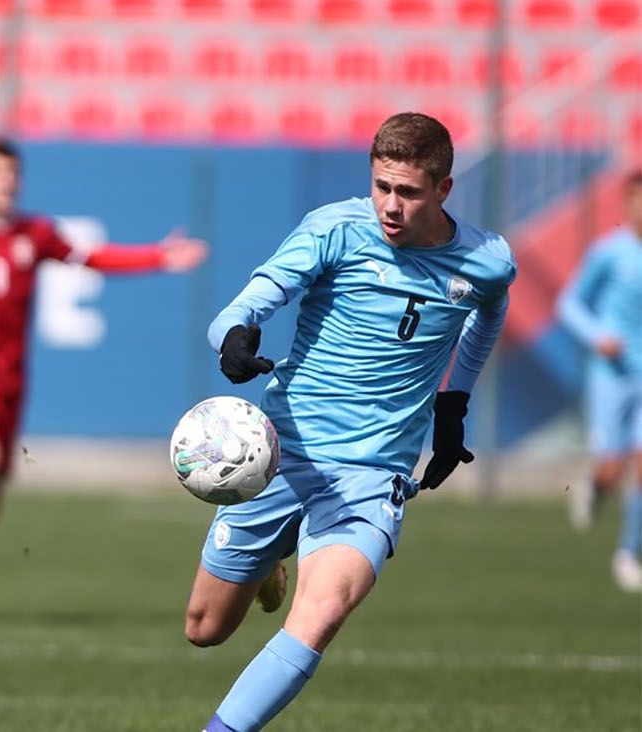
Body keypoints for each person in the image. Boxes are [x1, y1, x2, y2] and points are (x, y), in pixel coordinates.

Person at [187, 112, 516, 732]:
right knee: (204, 628)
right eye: (381, 187)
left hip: (373, 474)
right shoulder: (334, 229)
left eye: (409, 192)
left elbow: (487, 315)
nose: (390, 206)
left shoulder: (487, 261)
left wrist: (455, 404)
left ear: (444, 189)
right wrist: (232, 335)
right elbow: (252, 298)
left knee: (322, 611)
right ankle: (269, 564)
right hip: (283, 453)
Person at [0, 139, 207, 618]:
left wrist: (157, 257)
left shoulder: (33, 234)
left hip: (9, 385)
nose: (5, 182)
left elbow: (92, 258)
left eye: (11, 173)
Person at [557, 170, 642, 592]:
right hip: (612, 374)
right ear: (627, 203)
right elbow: (570, 303)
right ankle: (594, 485)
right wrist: (598, 337)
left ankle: (628, 553)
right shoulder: (610, 253)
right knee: (612, 467)